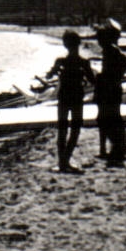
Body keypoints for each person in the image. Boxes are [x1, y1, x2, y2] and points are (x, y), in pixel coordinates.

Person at [46, 30, 95, 173]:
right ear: (79, 43)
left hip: (64, 98)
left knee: (63, 130)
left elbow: (49, 76)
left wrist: (55, 72)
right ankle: (65, 160)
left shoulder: (61, 61)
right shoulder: (84, 62)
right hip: (76, 98)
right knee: (75, 129)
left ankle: (62, 162)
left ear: (64, 44)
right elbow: (93, 81)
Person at [94, 23, 126, 166]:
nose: (98, 41)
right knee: (112, 117)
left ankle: (117, 147)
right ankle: (116, 147)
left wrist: (114, 76)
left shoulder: (110, 50)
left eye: (100, 38)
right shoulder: (109, 50)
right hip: (110, 87)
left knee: (109, 118)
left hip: (110, 88)